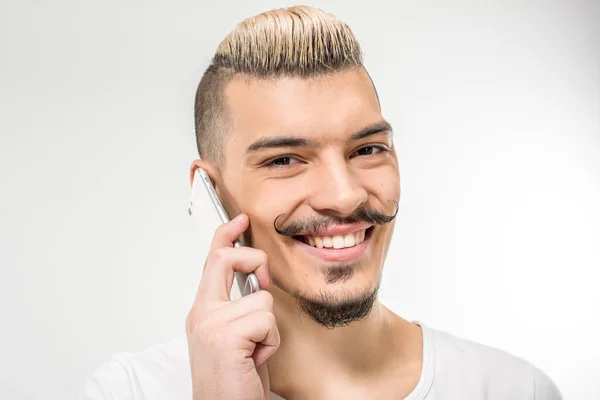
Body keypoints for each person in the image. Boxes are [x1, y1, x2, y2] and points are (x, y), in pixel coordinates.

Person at [82, 5, 562, 400]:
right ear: (210, 193)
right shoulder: (129, 390)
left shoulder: (516, 389)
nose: (345, 194)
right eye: (285, 159)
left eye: (368, 149)